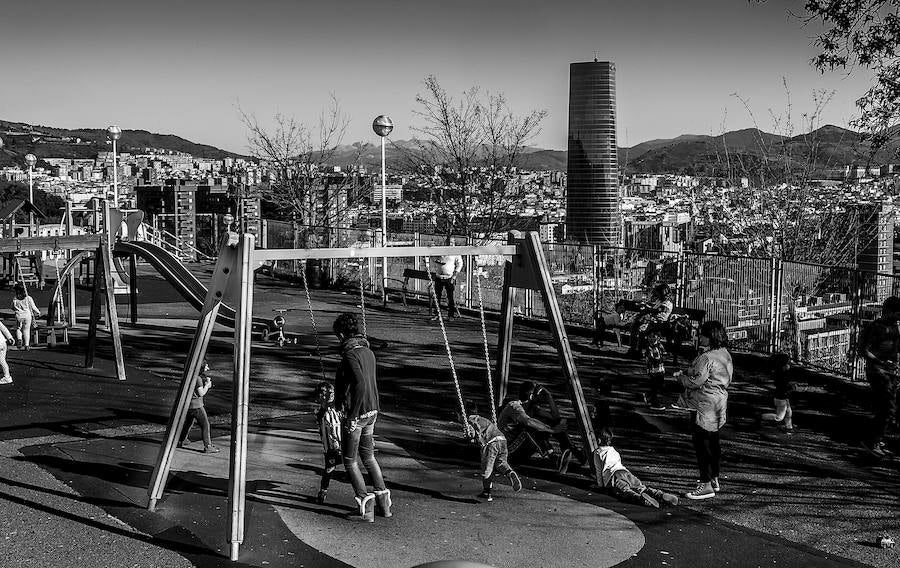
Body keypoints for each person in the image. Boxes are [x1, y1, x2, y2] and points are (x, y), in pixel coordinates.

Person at [333, 312, 390, 522]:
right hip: (373, 409)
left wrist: (352, 416)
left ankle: (365, 505)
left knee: (349, 459)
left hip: (359, 412)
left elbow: (359, 383)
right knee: (368, 456)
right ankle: (384, 502)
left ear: (340, 334)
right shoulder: (368, 351)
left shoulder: (349, 355)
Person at [675, 320, 732, 500]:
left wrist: (681, 378)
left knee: (701, 444)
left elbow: (695, 381)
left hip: (704, 403)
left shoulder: (706, 357)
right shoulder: (725, 355)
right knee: (714, 442)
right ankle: (714, 478)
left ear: (710, 336)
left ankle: (705, 483)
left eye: (702, 334)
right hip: (719, 401)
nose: (700, 337)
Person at [856, 295, 900, 458]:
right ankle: (872, 442)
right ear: (888, 311)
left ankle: (877, 439)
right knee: (888, 408)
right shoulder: (876, 327)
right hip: (878, 372)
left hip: (890, 373)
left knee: (886, 408)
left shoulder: (895, 327)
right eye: (897, 314)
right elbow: (863, 350)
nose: (899, 318)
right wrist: (881, 361)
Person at [593, 428, 679, 508]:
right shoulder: (613, 450)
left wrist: (601, 485)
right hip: (625, 472)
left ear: (599, 439)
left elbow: (599, 470)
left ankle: (639, 498)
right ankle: (659, 494)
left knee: (625, 491)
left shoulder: (598, 452)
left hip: (614, 477)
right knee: (640, 487)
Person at [523, 381, 586, 473]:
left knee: (556, 421)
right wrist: (553, 430)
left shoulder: (534, 408)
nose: (540, 396)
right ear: (531, 396)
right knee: (534, 429)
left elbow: (555, 416)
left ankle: (570, 451)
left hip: (538, 438)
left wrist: (549, 396)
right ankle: (555, 459)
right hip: (525, 443)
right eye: (538, 393)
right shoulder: (520, 407)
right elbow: (530, 423)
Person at [465, 404, 522, 502]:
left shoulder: (470, 421)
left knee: (487, 469)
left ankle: (487, 492)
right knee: (501, 463)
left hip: (491, 444)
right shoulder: (483, 419)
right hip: (502, 440)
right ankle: (509, 473)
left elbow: (473, 436)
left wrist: (468, 435)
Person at [178, 360, 219, 453]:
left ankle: (182, 440)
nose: (208, 368)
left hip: (189, 404)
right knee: (205, 425)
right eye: (206, 367)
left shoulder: (190, 376)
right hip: (197, 405)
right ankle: (208, 446)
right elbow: (201, 393)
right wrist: (207, 386)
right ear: (201, 368)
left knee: (188, 423)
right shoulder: (198, 379)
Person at [314, 382, 342, 504]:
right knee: (329, 468)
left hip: (342, 444)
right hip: (331, 447)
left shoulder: (338, 408)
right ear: (320, 396)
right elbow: (323, 417)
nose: (330, 395)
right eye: (326, 393)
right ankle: (323, 491)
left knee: (352, 468)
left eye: (332, 392)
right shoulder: (321, 413)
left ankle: (361, 493)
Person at [628, 283, 674, 355]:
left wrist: (647, 308)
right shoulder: (659, 300)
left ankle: (638, 351)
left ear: (662, 293)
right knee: (634, 325)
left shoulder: (668, 303)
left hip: (660, 324)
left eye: (658, 293)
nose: (657, 295)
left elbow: (658, 310)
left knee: (641, 329)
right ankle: (633, 348)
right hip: (653, 321)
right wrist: (645, 305)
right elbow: (653, 306)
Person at [761, 352, 797, 432]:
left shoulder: (782, 374)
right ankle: (763, 417)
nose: (789, 365)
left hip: (783, 397)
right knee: (779, 417)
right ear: (782, 366)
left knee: (788, 413)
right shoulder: (781, 376)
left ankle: (789, 427)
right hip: (781, 398)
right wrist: (791, 387)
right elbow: (783, 387)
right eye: (787, 364)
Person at [428, 242, 463, 320]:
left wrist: (454, 276)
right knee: (437, 297)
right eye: (448, 242)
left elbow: (460, 264)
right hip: (439, 277)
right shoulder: (441, 250)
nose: (450, 244)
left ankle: (451, 315)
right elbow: (433, 258)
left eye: (451, 243)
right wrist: (431, 249)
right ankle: (437, 314)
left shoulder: (455, 252)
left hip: (449, 278)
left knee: (450, 297)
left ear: (454, 244)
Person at [643, 330, 667, 410]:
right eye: (649, 337)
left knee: (660, 385)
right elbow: (651, 358)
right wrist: (658, 359)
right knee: (655, 386)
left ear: (658, 337)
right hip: (653, 370)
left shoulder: (659, 345)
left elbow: (664, 354)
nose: (651, 338)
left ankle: (649, 396)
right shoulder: (649, 347)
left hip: (660, 369)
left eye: (653, 337)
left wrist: (664, 357)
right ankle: (654, 403)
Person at [12, 283, 41, 350]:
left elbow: (12, 307)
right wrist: (38, 312)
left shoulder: (15, 299)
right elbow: (33, 307)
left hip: (19, 315)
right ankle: (27, 345)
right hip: (27, 316)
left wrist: (17, 309)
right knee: (26, 330)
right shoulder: (28, 298)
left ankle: (19, 339)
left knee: (18, 328)